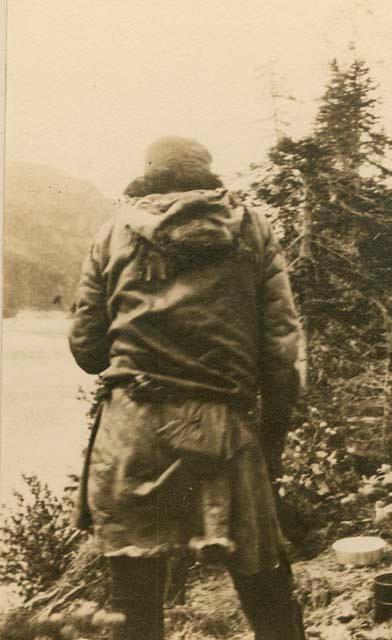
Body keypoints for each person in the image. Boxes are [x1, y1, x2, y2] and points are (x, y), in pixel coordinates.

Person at [69, 136, 306, 640]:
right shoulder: (253, 230)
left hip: (133, 425)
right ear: (207, 173)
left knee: (134, 591)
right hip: (223, 429)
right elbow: (281, 353)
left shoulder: (112, 233)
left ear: (149, 172)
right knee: (264, 579)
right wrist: (271, 443)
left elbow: (87, 351)